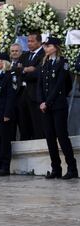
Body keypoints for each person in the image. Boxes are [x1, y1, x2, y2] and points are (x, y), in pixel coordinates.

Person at [37, 37, 78, 180]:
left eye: (48, 46)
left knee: (62, 136)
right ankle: (56, 168)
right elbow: (40, 85)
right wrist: (41, 101)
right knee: (49, 137)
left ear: (55, 47)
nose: (45, 48)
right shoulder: (45, 63)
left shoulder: (63, 63)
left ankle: (72, 168)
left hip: (58, 105)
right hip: (45, 107)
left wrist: (48, 102)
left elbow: (61, 85)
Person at [19, 32, 45, 140]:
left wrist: (24, 70)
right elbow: (17, 71)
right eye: (28, 41)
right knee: (24, 121)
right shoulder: (24, 55)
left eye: (32, 41)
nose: (29, 44)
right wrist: (26, 69)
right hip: (24, 94)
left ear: (39, 42)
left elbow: (37, 73)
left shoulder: (43, 54)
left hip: (36, 93)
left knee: (37, 122)